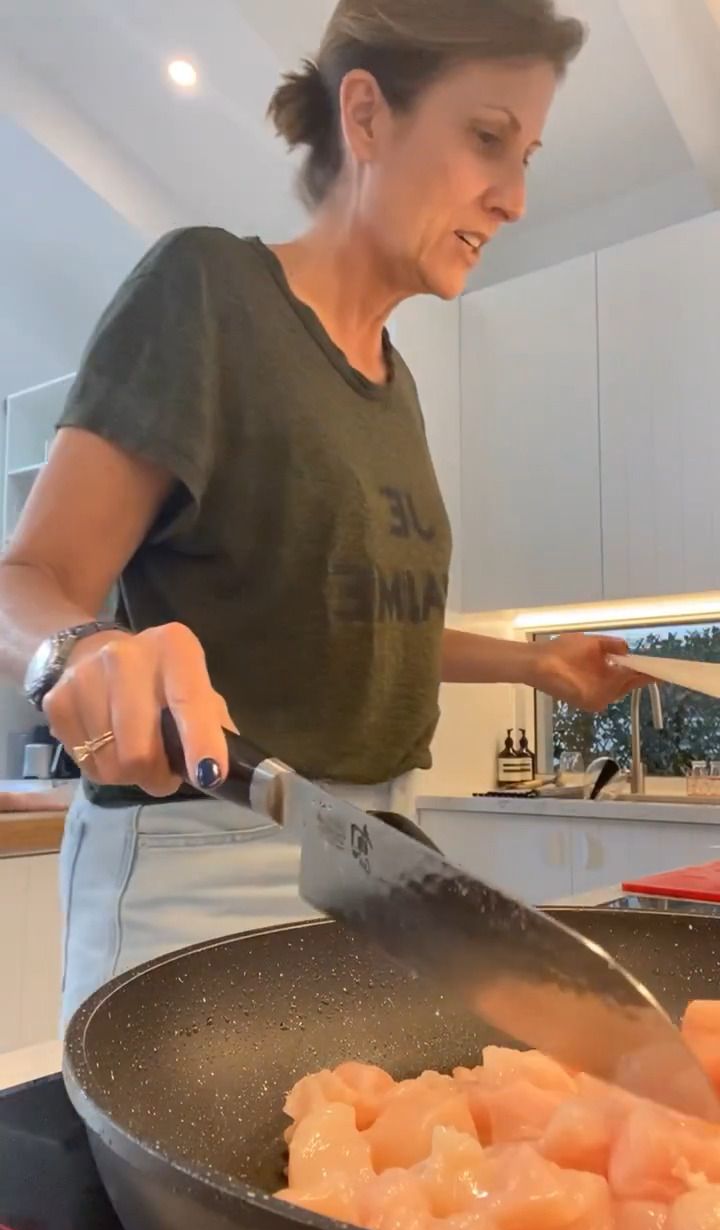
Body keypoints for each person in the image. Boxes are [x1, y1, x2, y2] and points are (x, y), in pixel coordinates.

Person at [0, 0, 641, 1025]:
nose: (516, 198)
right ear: (369, 115)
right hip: (209, 854)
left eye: (525, 158)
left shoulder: (397, 384)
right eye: (487, 138)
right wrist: (82, 651)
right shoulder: (207, 291)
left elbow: (357, 622)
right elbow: (27, 580)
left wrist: (537, 666)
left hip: (383, 861)